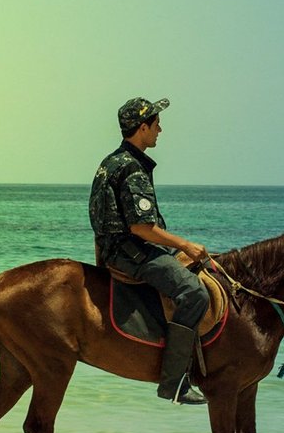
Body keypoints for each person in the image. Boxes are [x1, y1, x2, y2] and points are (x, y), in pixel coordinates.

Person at [89, 97, 211, 404]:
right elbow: (141, 228)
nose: (161, 130)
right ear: (142, 128)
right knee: (195, 292)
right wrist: (185, 245)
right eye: (156, 124)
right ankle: (175, 382)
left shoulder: (110, 161)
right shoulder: (132, 169)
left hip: (112, 250)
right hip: (132, 251)